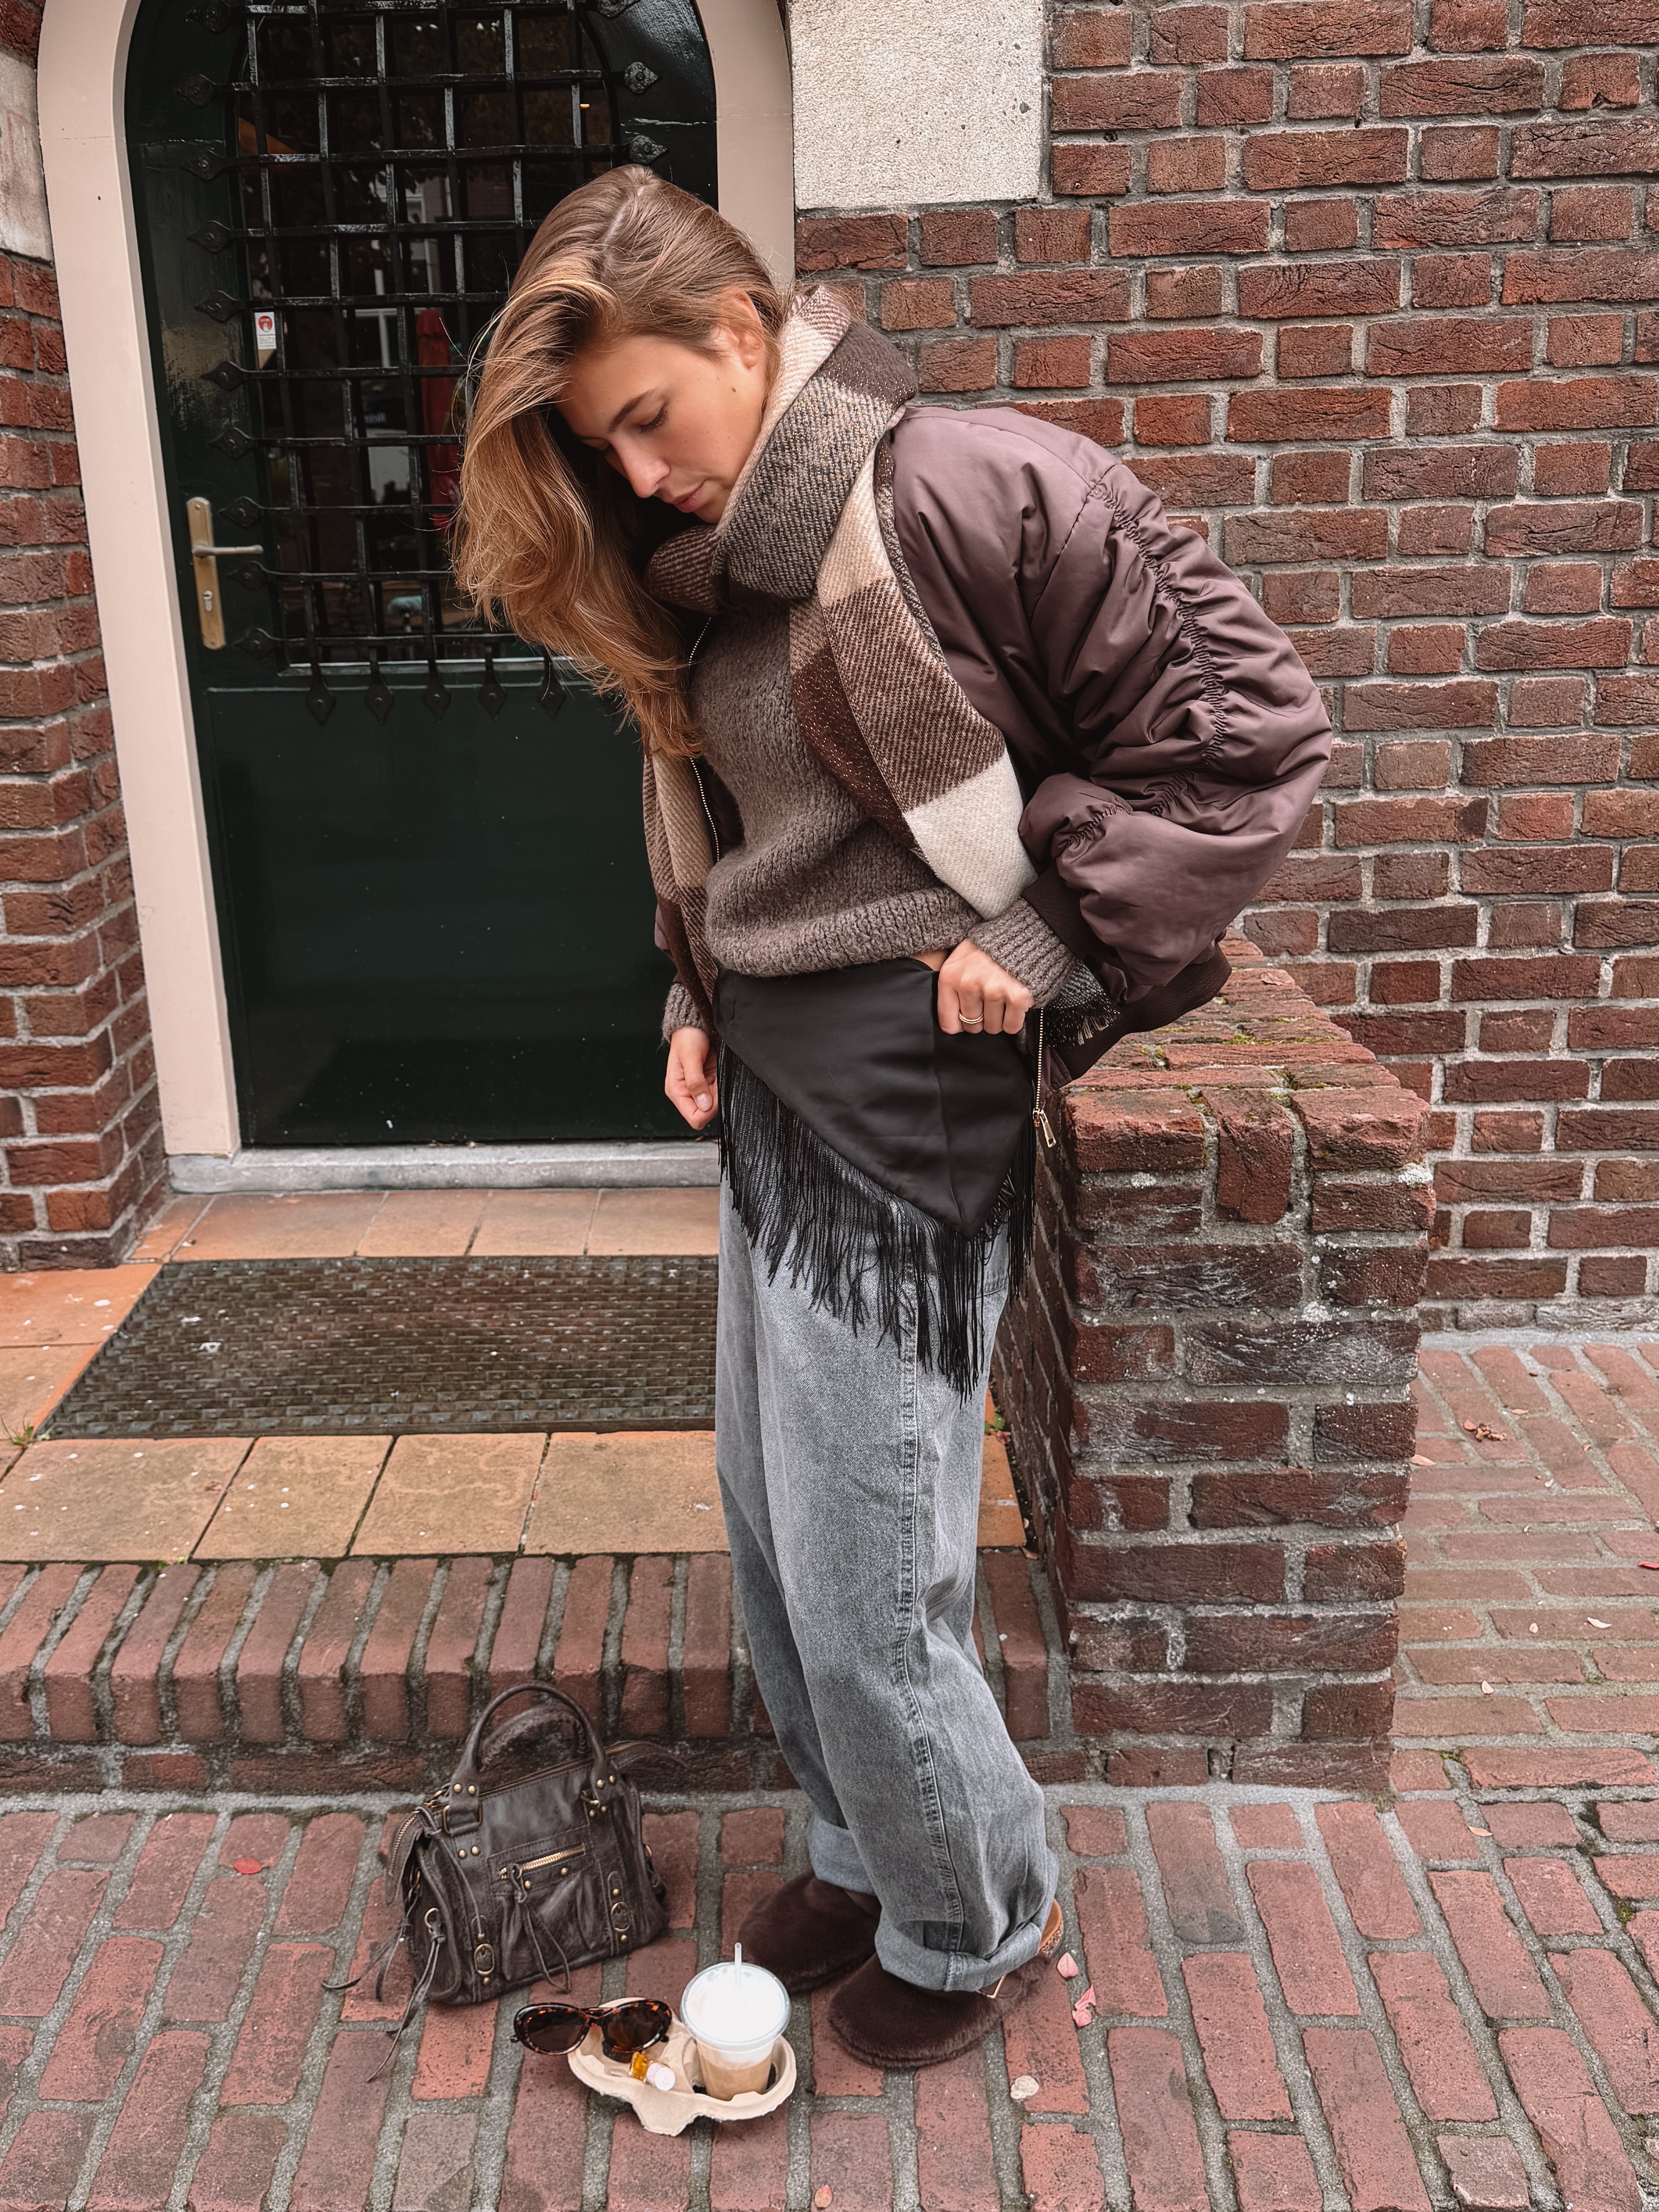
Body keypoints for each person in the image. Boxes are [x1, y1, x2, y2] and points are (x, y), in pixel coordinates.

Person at [456, 169, 1331, 2070]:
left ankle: (975, 1912)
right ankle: (870, 1850)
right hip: (773, 1085)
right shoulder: (702, 578)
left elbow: (1247, 734)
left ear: (740, 331)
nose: (638, 476)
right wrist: (695, 1000)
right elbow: (754, 840)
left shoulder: (962, 488)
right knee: (780, 1538)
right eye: (601, 451)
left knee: (871, 1574)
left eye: (644, 418)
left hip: (907, 1102)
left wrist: (1054, 930)